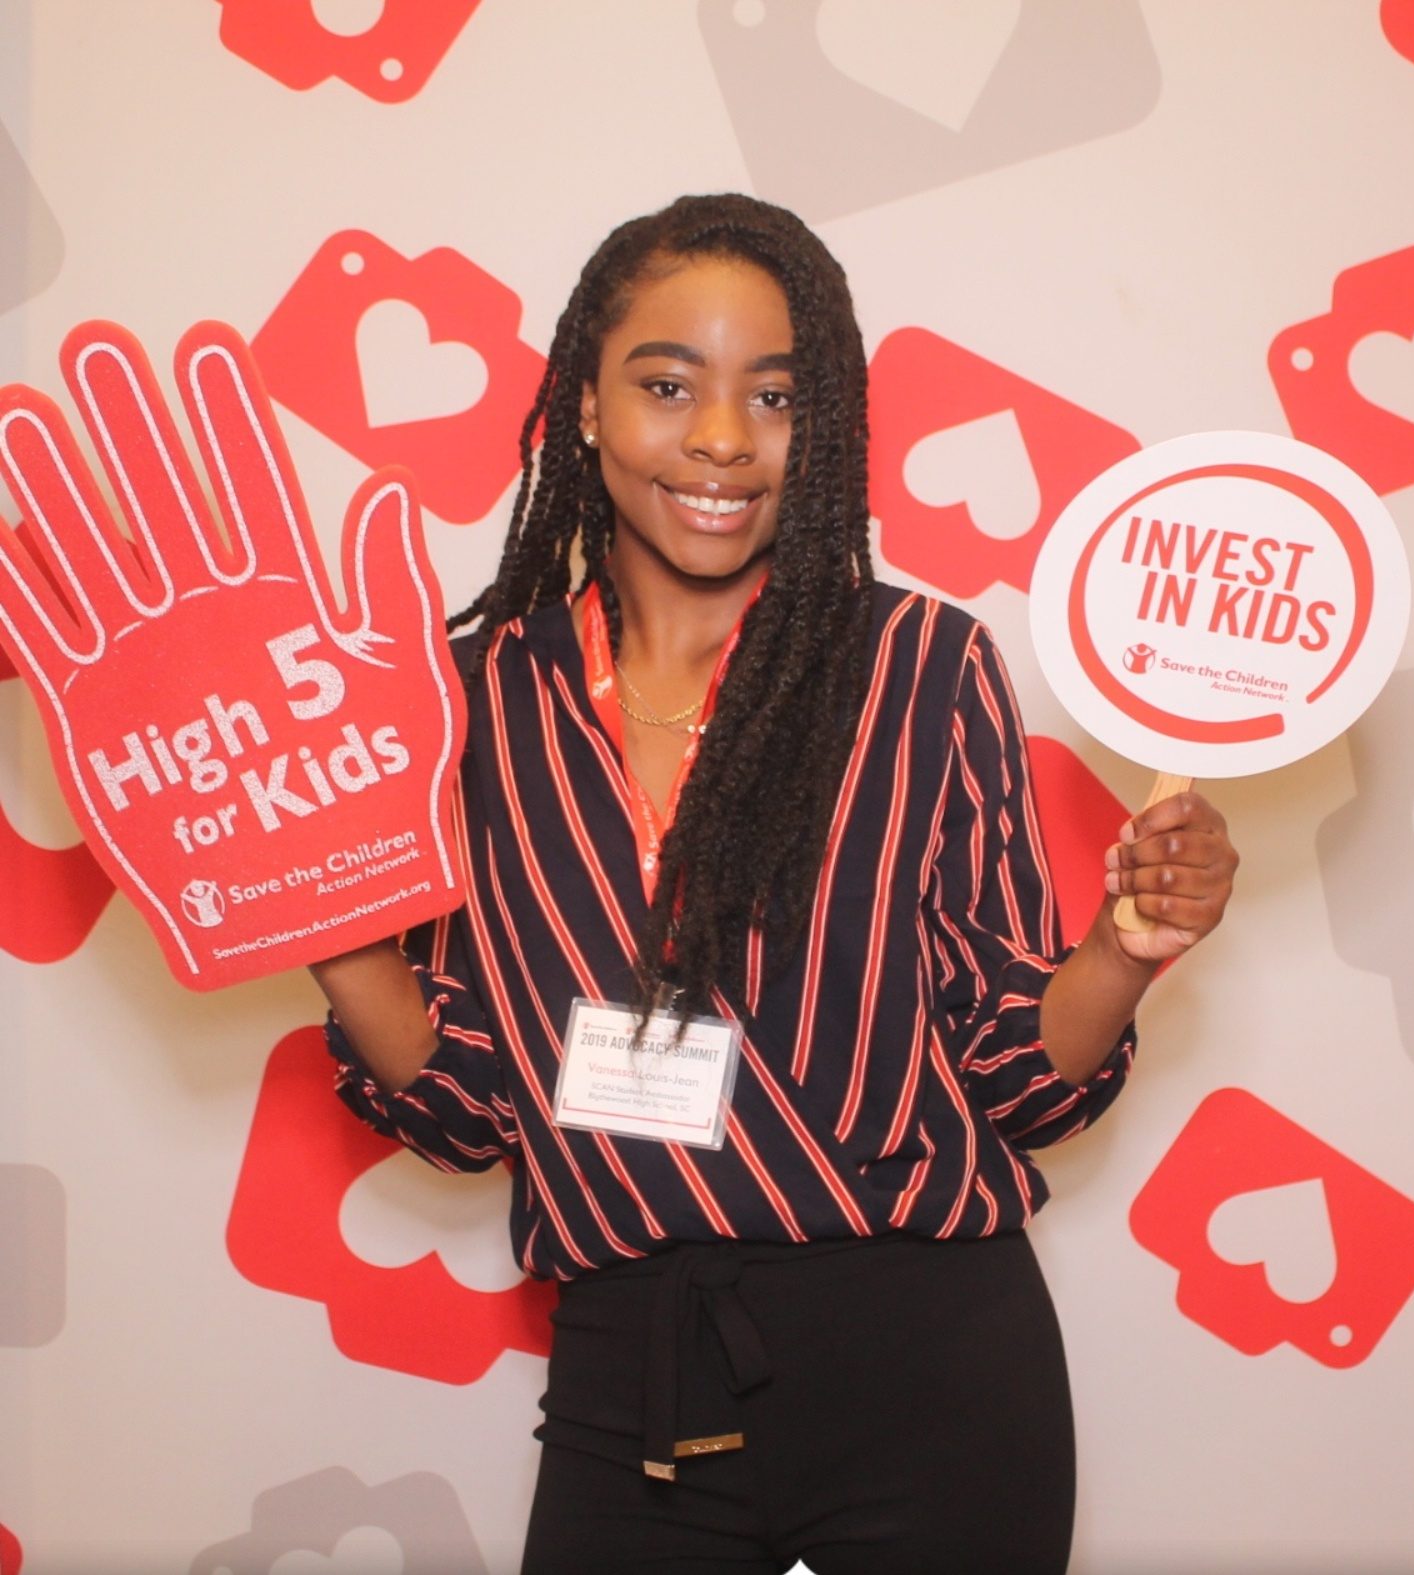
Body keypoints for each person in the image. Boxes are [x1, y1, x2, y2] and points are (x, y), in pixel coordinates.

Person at [309, 193, 1237, 1575]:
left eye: (779, 396)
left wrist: (1127, 945)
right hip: (638, 1376)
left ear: (831, 427)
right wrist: (314, 911)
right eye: (668, 384)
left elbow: (1015, 1076)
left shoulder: (923, 667)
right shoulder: (470, 705)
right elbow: (465, 1107)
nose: (725, 440)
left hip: (935, 1372)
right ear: (579, 401)